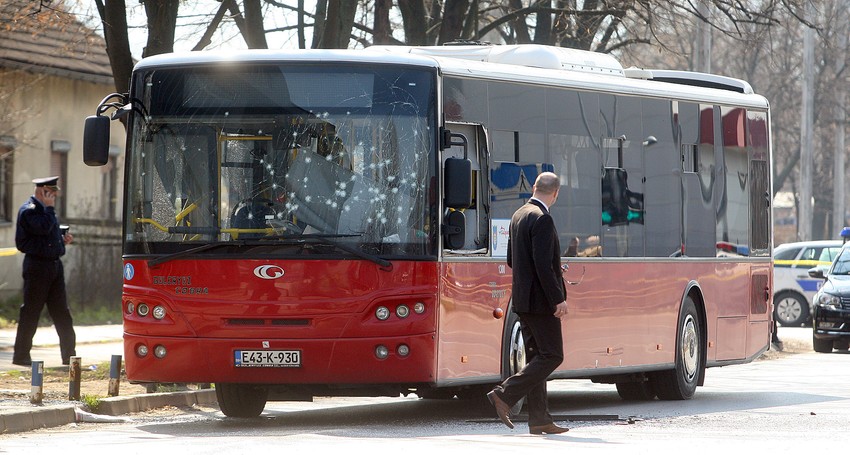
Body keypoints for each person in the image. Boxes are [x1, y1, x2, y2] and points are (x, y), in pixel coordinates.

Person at [487, 171, 569, 435]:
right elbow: (543, 266)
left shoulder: (519, 215)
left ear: (534, 187)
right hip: (541, 302)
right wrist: (558, 298)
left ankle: (540, 419)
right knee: (552, 355)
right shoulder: (542, 219)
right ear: (555, 193)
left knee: (536, 357)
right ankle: (504, 394)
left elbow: (513, 260)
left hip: (521, 301)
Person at [12, 176, 76, 366]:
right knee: (31, 312)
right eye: (51, 192)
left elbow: (48, 234)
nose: (55, 195)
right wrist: (49, 209)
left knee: (62, 313)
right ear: (43, 191)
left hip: (54, 266)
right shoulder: (30, 211)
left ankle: (70, 357)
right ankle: (21, 356)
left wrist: (61, 240)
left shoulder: (48, 212)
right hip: (37, 267)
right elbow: (41, 228)